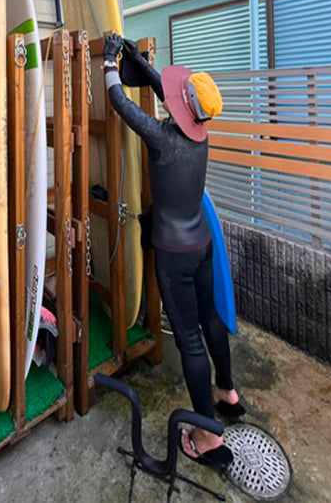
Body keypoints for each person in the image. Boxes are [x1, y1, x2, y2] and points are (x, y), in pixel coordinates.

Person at [101, 34, 240, 467]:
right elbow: (170, 93)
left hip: (174, 255)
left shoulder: (162, 137)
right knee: (211, 317)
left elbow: (121, 105)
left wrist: (110, 64)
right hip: (201, 243)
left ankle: (206, 436)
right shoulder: (199, 135)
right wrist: (138, 59)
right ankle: (227, 393)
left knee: (188, 342)